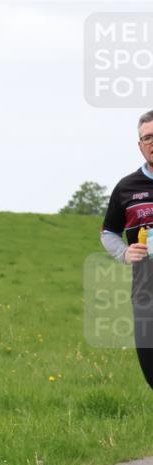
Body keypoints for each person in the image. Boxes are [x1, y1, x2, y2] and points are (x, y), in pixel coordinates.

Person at [100, 109, 153, 390]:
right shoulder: (126, 188)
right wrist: (124, 253)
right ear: (140, 145)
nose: (152, 142)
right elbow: (108, 232)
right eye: (147, 137)